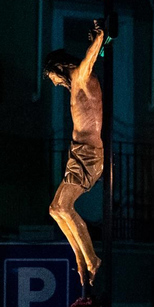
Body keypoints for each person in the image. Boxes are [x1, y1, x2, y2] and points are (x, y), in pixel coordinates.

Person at [45, 21, 109, 286]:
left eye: (55, 79)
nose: (58, 84)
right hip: (79, 153)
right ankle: (81, 260)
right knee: (54, 209)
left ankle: (92, 259)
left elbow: (89, 60)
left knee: (65, 206)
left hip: (88, 156)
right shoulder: (76, 84)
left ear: (61, 68)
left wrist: (100, 38)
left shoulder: (81, 78)